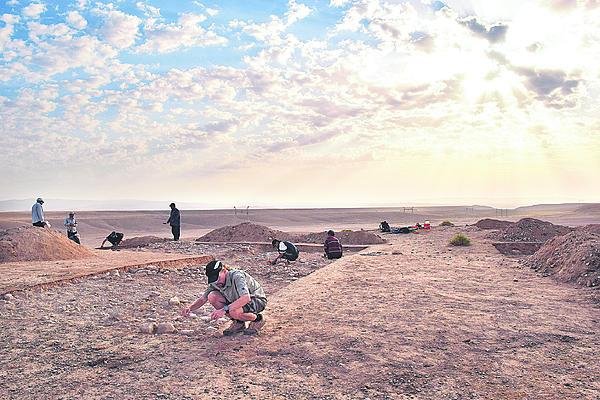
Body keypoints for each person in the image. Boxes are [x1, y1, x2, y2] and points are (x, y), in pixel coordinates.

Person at [181, 260, 267, 336]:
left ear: (224, 271)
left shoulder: (237, 276)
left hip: (257, 300)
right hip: (238, 301)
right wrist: (190, 308)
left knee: (234, 311)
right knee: (212, 296)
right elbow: (203, 299)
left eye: (217, 278)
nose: (216, 282)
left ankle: (257, 320)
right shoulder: (215, 282)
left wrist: (224, 309)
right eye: (213, 279)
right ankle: (239, 323)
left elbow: (245, 298)